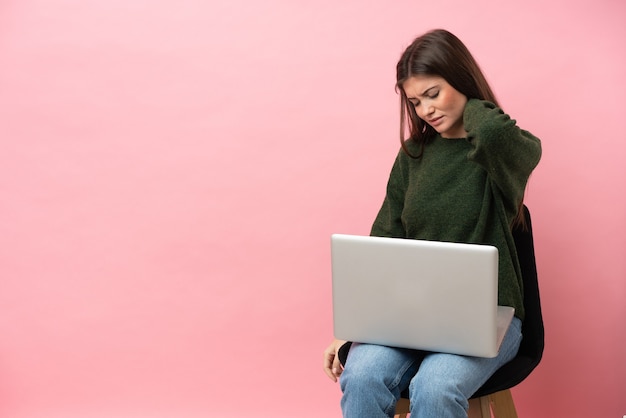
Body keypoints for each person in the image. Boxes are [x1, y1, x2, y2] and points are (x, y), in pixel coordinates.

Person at [322, 29, 542, 418]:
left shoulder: (498, 152)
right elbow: (384, 242)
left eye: (434, 94)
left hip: (490, 319)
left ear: (461, 80)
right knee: (361, 377)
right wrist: (353, 329)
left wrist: (472, 101)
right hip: (409, 317)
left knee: (436, 387)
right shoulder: (414, 155)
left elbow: (491, 132)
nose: (425, 110)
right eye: (415, 101)